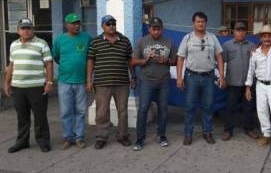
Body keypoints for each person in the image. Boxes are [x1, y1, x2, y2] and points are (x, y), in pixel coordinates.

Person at [4, 18, 53, 153]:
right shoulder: (13, 45)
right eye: (23, 28)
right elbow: (11, 65)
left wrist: (49, 82)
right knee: (22, 116)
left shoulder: (41, 43)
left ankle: (43, 141)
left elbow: (48, 63)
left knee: (40, 116)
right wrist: (6, 83)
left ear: (33, 30)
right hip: (18, 87)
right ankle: (22, 141)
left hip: (37, 87)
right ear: (18, 30)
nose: (26, 31)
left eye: (28, 28)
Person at [86, 15, 135, 149]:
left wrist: (133, 77)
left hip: (122, 83)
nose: (111, 26)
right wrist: (89, 79)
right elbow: (90, 60)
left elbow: (130, 60)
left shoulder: (125, 41)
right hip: (102, 83)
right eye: (108, 24)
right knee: (102, 112)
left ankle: (123, 136)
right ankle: (101, 137)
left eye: (113, 23)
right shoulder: (95, 42)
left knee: (123, 111)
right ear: (102, 26)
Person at [176, 12, 225, 145]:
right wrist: (179, 78)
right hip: (191, 77)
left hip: (209, 77)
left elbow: (219, 57)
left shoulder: (212, 38)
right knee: (190, 107)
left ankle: (207, 132)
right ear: (193, 23)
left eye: (202, 21)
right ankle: (188, 134)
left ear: (206, 23)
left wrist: (221, 75)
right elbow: (180, 58)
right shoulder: (187, 38)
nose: (200, 24)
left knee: (208, 106)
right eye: (198, 21)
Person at [132, 17, 177, 151]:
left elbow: (175, 62)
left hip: (163, 80)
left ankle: (161, 135)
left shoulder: (169, 42)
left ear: (162, 29)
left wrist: (166, 61)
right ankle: (140, 139)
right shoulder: (142, 41)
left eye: (158, 29)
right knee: (143, 109)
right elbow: (133, 61)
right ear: (149, 29)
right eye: (153, 29)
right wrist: (144, 61)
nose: (156, 32)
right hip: (146, 81)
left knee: (163, 109)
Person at [53, 13, 92, 149]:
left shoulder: (87, 38)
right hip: (64, 81)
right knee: (65, 111)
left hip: (81, 81)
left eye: (78, 23)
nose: (76, 25)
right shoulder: (60, 40)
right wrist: (68, 66)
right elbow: (56, 57)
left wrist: (88, 79)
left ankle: (79, 137)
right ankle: (68, 137)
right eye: (73, 23)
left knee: (80, 111)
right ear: (66, 25)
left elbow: (90, 58)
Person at [245, 24, 271, 153]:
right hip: (260, 85)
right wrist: (248, 87)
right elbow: (250, 70)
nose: (267, 38)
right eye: (264, 36)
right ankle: (266, 135)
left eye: (269, 36)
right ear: (261, 38)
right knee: (262, 111)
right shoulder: (255, 52)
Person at [222, 22, 258, 141]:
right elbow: (223, 62)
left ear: (246, 32)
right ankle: (228, 130)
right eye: (238, 30)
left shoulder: (252, 45)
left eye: (243, 30)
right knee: (230, 107)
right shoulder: (227, 45)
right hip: (232, 82)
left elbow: (256, 63)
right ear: (234, 32)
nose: (240, 32)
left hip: (248, 83)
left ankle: (249, 129)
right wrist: (223, 78)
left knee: (248, 107)